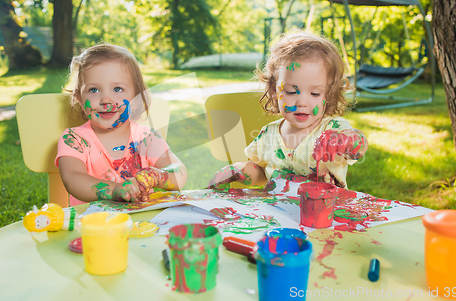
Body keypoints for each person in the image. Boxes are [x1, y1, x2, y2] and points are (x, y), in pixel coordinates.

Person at [209, 31, 367, 190]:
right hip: (278, 212)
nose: (302, 102)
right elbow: (262, 174)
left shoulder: (333, 128)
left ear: (328, 94)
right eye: (291, 92)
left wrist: (345, 142)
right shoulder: (267, 134)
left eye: (315, 93)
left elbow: (357, 147)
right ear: (274, 90)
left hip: (324, 211)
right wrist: (238, 171)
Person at [56, 44, 187, 206]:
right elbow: (73, 178)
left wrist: (159, 176)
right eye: (94, 90)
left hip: (143, 224)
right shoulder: (74, 139)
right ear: (79, 99)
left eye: (117, 89)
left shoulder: (146, 138)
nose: (106, 100)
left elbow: (179, 172)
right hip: (91, 225)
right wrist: (114, 190)